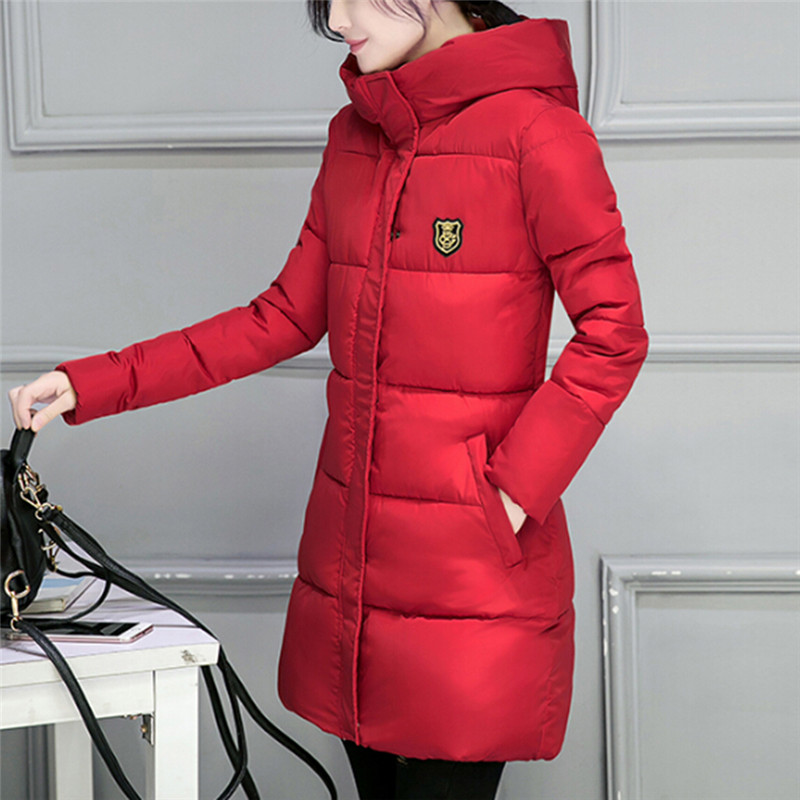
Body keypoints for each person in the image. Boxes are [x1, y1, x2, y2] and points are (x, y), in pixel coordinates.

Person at [8, 1, 649, 798]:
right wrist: (95, 381)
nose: (338, 19)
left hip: (470, 574)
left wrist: (511, 493)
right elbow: (279, 317)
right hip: (352, 572)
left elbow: (615, 332)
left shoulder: (538, 134)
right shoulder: (357, 134)